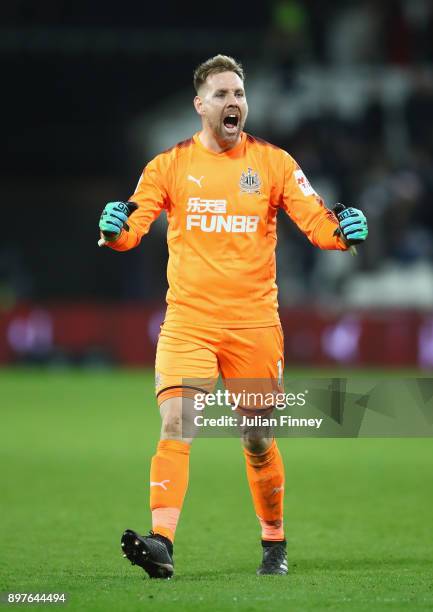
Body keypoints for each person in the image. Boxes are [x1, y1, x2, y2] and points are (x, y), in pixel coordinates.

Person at [98, 54, 368, 579]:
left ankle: (274, 541)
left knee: (258, 439)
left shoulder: (274, 163)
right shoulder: (168, 166)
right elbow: (135, 222)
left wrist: (341, 232)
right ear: (199, 105)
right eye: (221, 95)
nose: (233, 103)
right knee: (177, 422)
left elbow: (315, 219)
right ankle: (162, 542)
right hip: (189, 322)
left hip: (253, 325)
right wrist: (114, 231)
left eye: (239, 94)